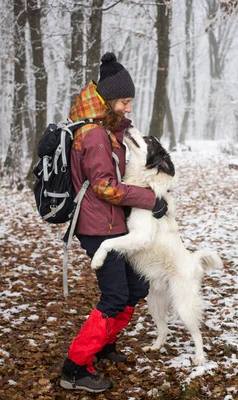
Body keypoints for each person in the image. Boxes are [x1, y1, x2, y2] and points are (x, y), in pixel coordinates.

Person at [59, 52, 168, 393]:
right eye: (124, 101)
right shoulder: (92, 135)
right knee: (115, 295)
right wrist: (151, 200)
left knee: (136, 289)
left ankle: (103, 344)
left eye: (130, 101)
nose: (129, 108)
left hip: (113, 224)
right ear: (108, 100)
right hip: (97, 227)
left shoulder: (107, 130)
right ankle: (75, 367)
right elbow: (106, 187)